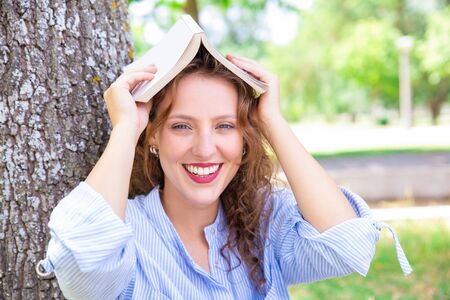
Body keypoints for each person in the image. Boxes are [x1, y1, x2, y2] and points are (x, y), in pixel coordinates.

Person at [37, 46, 412, 299]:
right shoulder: (125, 234)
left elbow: (349, 246)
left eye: (225, 126)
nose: (204, 148)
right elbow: (79, 270)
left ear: (246, 138)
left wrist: (272, 120)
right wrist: (124, 128)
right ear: (153, 135)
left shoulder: (264, 220)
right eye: (181, 126)